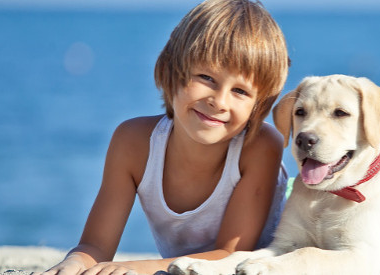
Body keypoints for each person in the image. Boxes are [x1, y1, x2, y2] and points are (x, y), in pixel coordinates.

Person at [43, 0, 289, 274]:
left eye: (240, 91)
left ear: (259, 106)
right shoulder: (132, 143)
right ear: (172, 71)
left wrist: (129, 268)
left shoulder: (260, 147)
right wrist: (75, 263)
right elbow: (95, 246)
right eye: (206, 77)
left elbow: (230, 257)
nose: (219, 101)